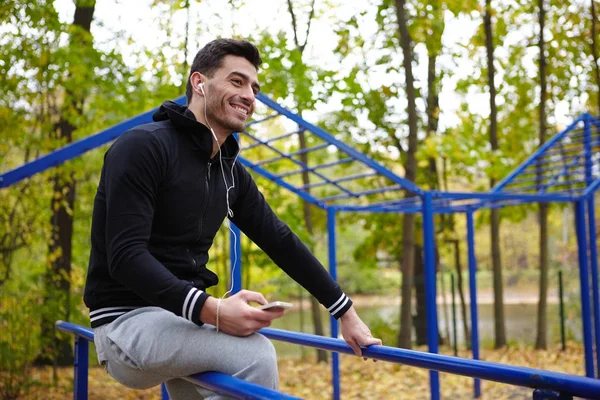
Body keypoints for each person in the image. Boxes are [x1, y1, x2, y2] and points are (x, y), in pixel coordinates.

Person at [84, 38, 381, 399]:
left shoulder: (230, 172)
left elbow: (279, 240)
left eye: (254, 87)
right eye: (236, 81)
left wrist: (344, 312)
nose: (249, 95)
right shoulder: (143, 147)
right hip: (125, 323)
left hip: (182, 321)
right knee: (253, 353)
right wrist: (214, 311)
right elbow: (126, 256)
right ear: (199, 83)